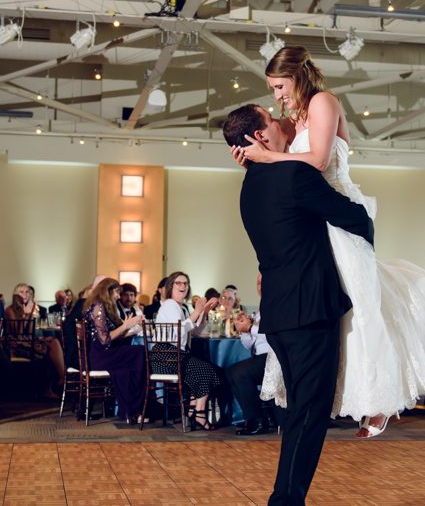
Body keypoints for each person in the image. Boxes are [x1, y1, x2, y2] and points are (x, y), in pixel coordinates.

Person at [236, 46, 425, 438]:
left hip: (340, 210)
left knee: (362, 304)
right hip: (315, 218)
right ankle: (345, 394)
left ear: (297, 76)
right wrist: (253, 158)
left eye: (279, 86)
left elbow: (319, 160)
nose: (276, 95)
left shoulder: (324, 101)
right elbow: (277, 150)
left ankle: (379, 402)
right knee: (334, 311)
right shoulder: (292, 117)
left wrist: (267, 159)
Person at [224, 104, 375, 505]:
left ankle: (287, 498)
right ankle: (285, 500)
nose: (280, 121)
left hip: (279, 314)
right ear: (260, 136)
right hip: (310, 311)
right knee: (310, 412)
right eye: (271, 120)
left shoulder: (248, 187)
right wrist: (366, 230)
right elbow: (352, 217)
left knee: (300, 413)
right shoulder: (292, 173)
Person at [152, 271, 220, 429]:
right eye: (178, 283)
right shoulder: (169, 305)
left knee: (208, 368)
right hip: (165, 356)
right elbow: (179, 331)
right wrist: (196, 312)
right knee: (205, 370)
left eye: (185, 283)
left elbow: (194, 331)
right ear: (171, 286)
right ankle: (199, 414)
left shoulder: (181, 308)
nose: (183, 286)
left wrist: (204, 313)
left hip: (176, 355)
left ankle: (193, 411)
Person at [82, 278, 146, 422]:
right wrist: (125, 326)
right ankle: (136, 408)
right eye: (117, 292)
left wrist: (131, 329)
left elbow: (114, 336)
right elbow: (105, 340)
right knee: (140, 353)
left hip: (106, 353)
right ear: (107, 291)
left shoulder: (105, 307)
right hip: (100, 356)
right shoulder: (98, 306)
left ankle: (132, 410)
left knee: (128, 369)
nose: (118, 296)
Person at [227, 274, 275, 435]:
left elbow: (272, 334)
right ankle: (252, 418)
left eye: (263, 282)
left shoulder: (276, 304)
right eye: (258, 283)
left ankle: (259, 420)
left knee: (240, 373)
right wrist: (244, 330)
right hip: (261, 356)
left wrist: (250, 328)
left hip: (274, 357)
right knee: (231, 372)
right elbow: (249, 344)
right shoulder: (262, 307)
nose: (260, 286)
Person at [5, 283, 66, 398]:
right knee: (50, 348)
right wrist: (29, 315)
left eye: (27, 292)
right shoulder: (10, 310)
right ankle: (57, 381)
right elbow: (20, 332)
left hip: (31, 340)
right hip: (16, 343)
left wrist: (33, 314)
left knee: (53, 340)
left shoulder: (37, 308)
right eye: (21, 292)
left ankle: (58, 380)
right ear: (15, 294)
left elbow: (43, 327)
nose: (25, 294)